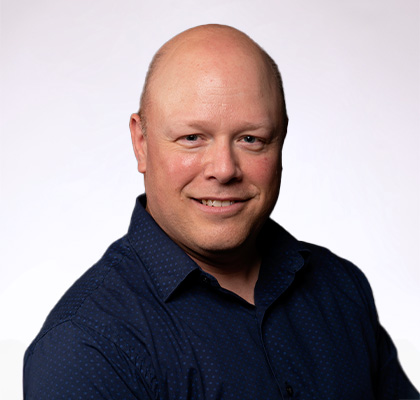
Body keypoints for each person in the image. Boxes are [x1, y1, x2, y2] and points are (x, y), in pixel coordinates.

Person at [23, 24, 418, 399]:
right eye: (192, 138)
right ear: (141, 142)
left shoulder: (341, 287)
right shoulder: (86, 345)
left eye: (251, 139)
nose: (225, 169)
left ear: (280, 141)